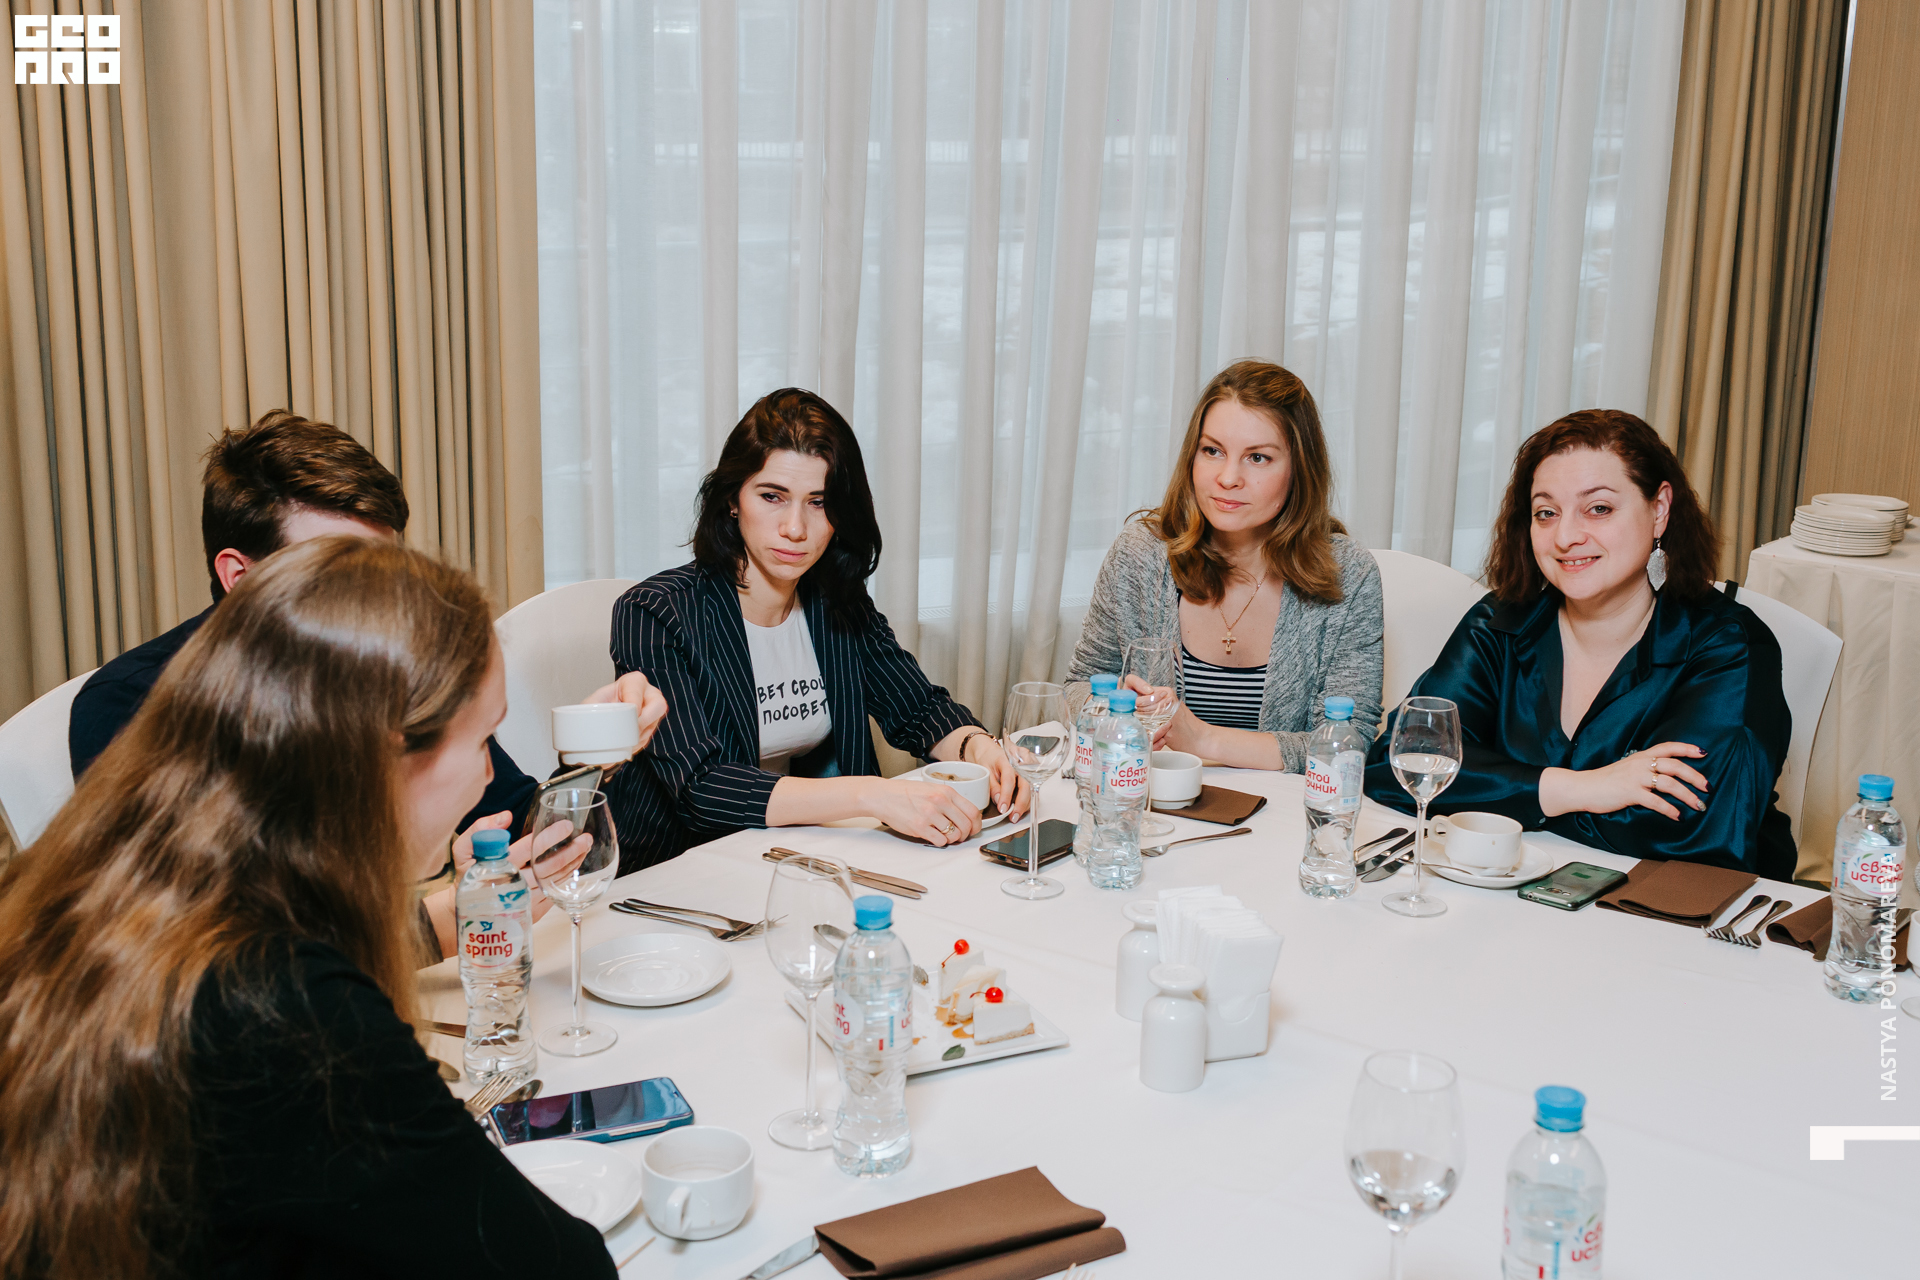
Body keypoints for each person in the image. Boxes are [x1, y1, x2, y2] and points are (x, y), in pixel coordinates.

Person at [0, 538, 619, 1278]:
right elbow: (558, 1266)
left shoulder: (121, 884)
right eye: (483, 739)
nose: (490, 775)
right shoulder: (290, 1007)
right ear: (381, 755)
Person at [65, 410, 665, 955]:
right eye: (343, 575)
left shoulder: (397, 665)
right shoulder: (135, 705)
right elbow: (210, 957)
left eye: (387, 573)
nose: (383, 606)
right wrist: (437, 915)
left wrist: (593, 752)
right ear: (240, 577)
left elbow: (523, 828)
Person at [604, 388, 1030, 870]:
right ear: (732, 500)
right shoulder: (655, 612)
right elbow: (701, 788)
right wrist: (871, 795)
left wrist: (978, 747)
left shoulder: (835, 598)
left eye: (819, 502)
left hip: (806, 857)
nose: (795, 528)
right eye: (772, 496)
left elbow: (918, 708)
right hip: (675, 871)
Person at [1362, 409, 1796, 880]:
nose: (1566, 537)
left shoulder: (1729, 645)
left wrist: (1504, 793)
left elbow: (1692, 832)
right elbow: (1396, 767)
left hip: (1673, 909)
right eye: (1546, 513)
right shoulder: (1500, 622)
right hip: (1512, 894)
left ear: (1659, 510)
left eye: (1599, 509)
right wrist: (1586, 788)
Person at [1067, 360, 1384, 771]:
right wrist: (1114, 712)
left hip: (1280, 808)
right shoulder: (1140, 555)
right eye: (1212, 451)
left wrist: (1201, 737)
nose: (1228, 477)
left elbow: (1347, 745)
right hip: (1151, 799)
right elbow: (1079, 685)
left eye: (1258, 458)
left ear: (1299, 469)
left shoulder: (1349, 574)